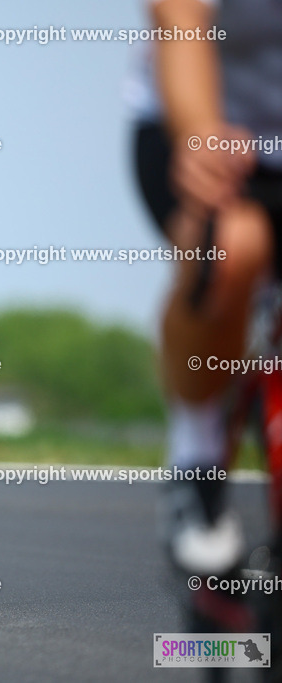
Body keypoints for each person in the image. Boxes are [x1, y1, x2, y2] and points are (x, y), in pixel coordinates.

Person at [131, 0, 282, 628]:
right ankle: (195, 463)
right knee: (233, 248)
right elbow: (180, 19)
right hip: (196, 126)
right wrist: (202, 138)